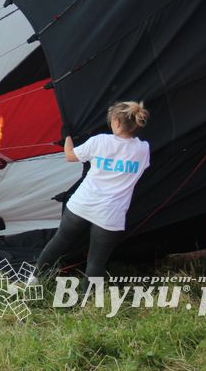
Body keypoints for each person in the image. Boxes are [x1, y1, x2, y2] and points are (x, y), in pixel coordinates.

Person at [34, 101, 151, 279]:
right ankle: (88, 303)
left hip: (82, 204)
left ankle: (33, 282)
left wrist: (66, 136)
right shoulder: (143, 149)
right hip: (111, 213)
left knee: (59, 242)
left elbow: (70, 156)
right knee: (96, 262)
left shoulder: (100, 141)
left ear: (117, 122)